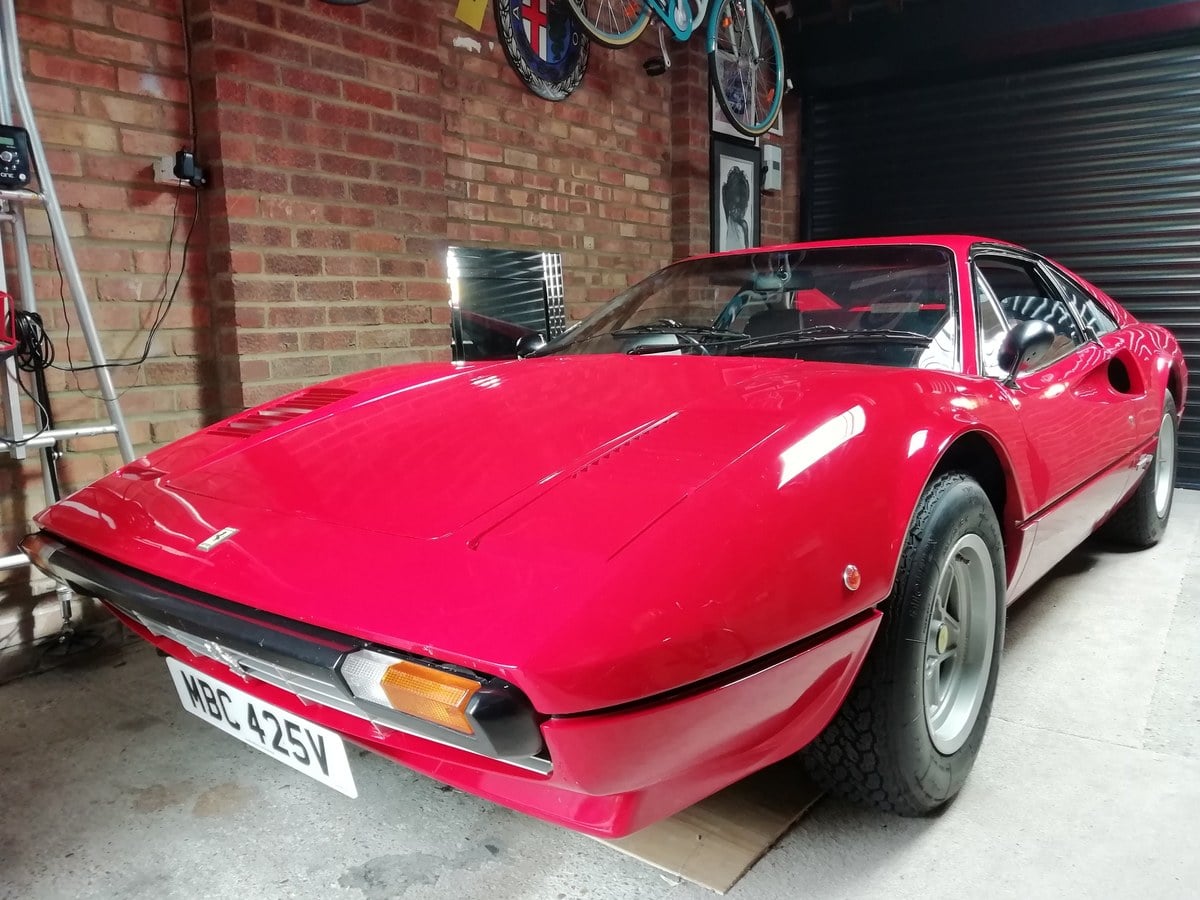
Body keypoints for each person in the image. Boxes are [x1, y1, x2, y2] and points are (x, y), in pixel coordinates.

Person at [721, 165, 751, 250]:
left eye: (739, 207)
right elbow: (725, 195)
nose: (735, 210)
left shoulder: (743, 225)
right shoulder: (729, 219)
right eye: (733, 205)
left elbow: (747, 249)